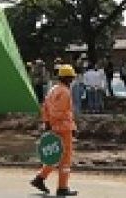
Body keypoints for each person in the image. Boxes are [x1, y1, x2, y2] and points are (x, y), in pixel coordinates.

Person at [30, 64, 79, 196]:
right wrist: (72, 126)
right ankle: (62, 188)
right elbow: (61, 112)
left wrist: (47, 123)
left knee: (55, 155)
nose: (72, 80)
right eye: (71, 77)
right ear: (68, 78)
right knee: (65, 159)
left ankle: (40, 178)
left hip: (54, 127)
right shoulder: (64, 92)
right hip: (64, 128)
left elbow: (45, 107)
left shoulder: (53, 90)